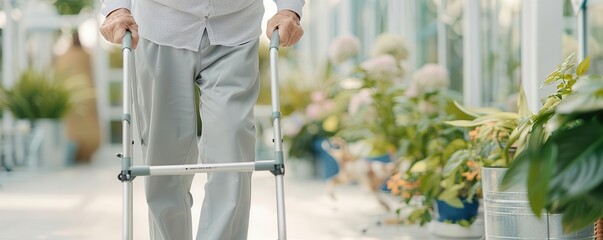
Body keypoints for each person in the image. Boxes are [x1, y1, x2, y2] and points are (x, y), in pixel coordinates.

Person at [99, 1, 304, 239]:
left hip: (236, 29)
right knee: (163, 163)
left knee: (233, 152)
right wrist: (117, 9)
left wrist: (290, 9)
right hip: (160, 27)